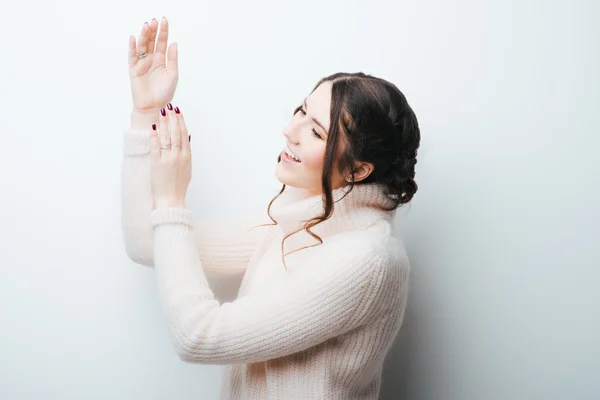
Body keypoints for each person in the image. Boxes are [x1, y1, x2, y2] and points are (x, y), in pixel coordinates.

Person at [121, 16, 420, 400]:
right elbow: (146, 242)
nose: (289, 131)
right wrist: (146, 112)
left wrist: (172, 200)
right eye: (301, 111)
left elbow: (198, 337)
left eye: (316, 131)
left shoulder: (369, 261)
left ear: (359, 169)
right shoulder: (298, 222)